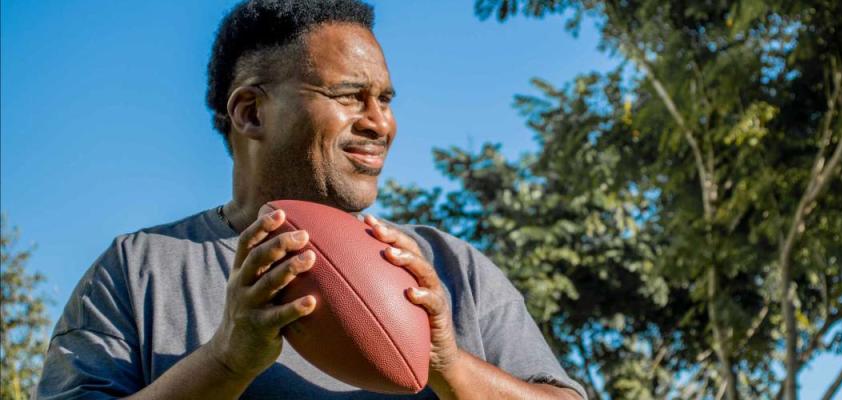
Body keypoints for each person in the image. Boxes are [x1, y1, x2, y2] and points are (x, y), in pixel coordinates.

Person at [36, 1, 586, 399]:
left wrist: (450, 366)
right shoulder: (138, 271)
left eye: (386, 100)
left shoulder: (450, 269)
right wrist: (225, 362)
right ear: (250, 112)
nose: (380, 124)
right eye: (351, 96)